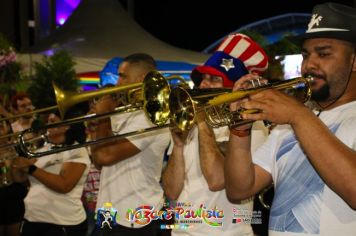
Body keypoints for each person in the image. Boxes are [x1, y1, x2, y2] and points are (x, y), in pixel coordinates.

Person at [225, 3, 356, 236]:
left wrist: (298, 114)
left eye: (323, 54)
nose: (309, 64)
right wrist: (240, 131)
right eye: (306, 55)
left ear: (354, 61)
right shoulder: (289, 124)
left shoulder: (298, 118)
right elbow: (239, 189)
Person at [162, 33, 269, 235]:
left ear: (233, 89)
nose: (203, 85)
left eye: (213, 80)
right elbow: (171, 191)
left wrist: (202, 123)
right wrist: (177, 145)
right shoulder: (190, 121)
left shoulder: (252, 125)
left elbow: (217, 180)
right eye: (202, 79)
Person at [90, 53, 170, 235]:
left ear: (142, 79)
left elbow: (105, 155)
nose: (117, 82)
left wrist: (103, 117)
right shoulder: (123, 112)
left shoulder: (152, 117)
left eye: (123, 76)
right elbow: (97, 161)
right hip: (108, 211)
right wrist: (104, 118)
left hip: (135, 216)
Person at [12, 106, 90, 236]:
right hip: (33, 219)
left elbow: (64, 185)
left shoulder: (76, 150)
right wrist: (16, 158)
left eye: (52, 122)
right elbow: (19, 178)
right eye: (48, 122)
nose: (47, 126)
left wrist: (30, 168)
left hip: (61, 223)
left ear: (67, 126)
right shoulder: (43, 149)